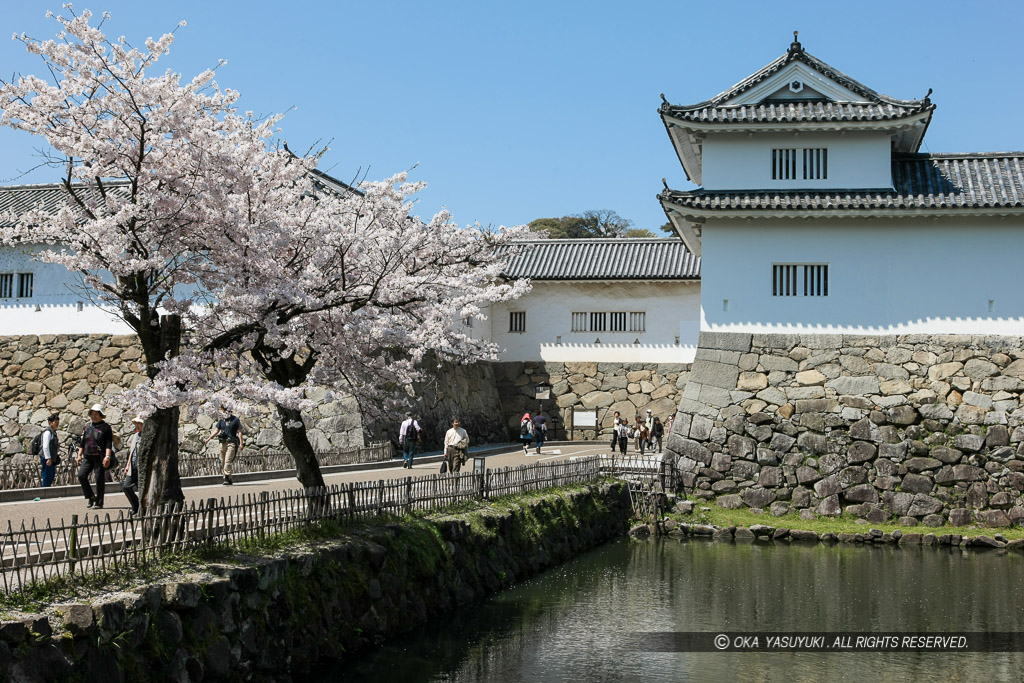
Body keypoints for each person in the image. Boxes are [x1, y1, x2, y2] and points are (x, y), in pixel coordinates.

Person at [77, 403, 113, 510]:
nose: (94, 416)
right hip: (88, 456)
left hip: (99, 456)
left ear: (101, 415)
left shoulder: (106, 428)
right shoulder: (87, 426)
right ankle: (91, 496)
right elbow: (82, 442)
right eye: (92, 414)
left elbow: (108, 444)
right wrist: (79, 455)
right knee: (81, 475)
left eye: (96, 414)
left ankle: (99, 502)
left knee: (99, 479)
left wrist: (107, 457)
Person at [204, 406, 243, 485]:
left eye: (225, 410)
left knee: (228, 460)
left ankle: (225, 478)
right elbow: (216, 430)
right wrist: (209, 438)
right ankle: (229, 478)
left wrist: (241, 443)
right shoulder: (222, 420)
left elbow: (239, 432)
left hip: (231, 442)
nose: (224, 412)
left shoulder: (235, 420)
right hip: (222, 442)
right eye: (223, 410)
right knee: (222, 461)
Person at [122, 415, 144, 516]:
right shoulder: (136, 435)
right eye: (137, 423)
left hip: (142, 466)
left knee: (142, 489)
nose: (138, 425)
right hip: (133, 465)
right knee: (126, 486)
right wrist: (127, 465)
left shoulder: (147, 436)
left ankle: (141, 509)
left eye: (140, 423)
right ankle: (135, 506)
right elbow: (132, 451)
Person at [39, 413, 60, 487]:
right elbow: (45, 446)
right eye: (55, 422)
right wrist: (48, 458)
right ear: (50, 423)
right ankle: (45, 490)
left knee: (51, 474)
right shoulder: (48, 432)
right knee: (47, 475)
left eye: (58, 422)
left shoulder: (53, 432)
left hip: (51, 458)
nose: (57, 424)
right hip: (47, 458)